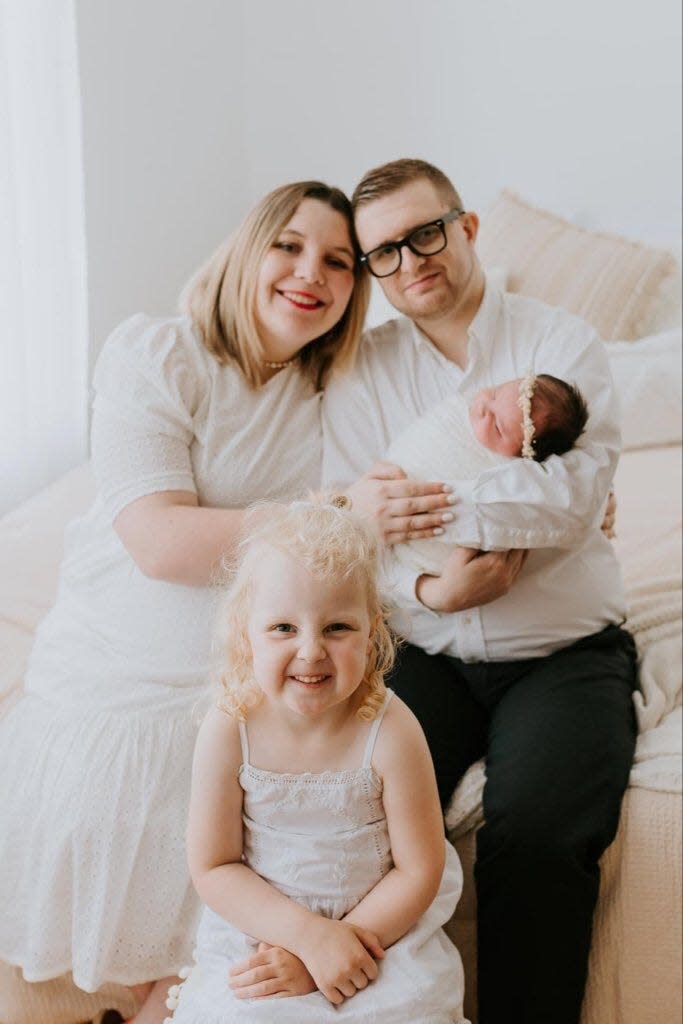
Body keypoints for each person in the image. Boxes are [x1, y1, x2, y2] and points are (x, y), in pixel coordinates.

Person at [0, 180, 385, 1024]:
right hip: (123, 681)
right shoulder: (157, 355)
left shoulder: (333, 388)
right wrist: (329, 512)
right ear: (246, 249)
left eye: (338, 261)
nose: (309, 272)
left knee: (209, 971)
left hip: (247, 691)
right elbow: (159, 541)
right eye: (288, 245)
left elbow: (431, 448)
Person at [322, 158, 638, 1024]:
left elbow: (572, 500)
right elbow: (352, 532)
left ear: (465, 228)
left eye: (425, 233)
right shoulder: (359, 375)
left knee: (536, 838)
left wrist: (424, 506)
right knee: (347, 821)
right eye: (382, 252)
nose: (409, 261)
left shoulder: (559, 343)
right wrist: (433, 584)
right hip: (417, 646)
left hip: (564, 653)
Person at [168, 500, 468, 1024]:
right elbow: (214, 867)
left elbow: (420, 868)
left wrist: (334, 951)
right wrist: (306, 939)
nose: (311, 651)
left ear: (372, 632)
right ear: (246, 634)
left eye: (337, 628)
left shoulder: (391, 730)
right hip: (264, 932)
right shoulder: (229, 727)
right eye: (284, 627)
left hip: (380, 936)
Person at [385, 372, 589, 589]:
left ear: (522, 455)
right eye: (494, 393)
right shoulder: (458, 411)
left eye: (497, 428)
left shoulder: (511, 477)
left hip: (437, 563)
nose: (483, 407)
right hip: (389, 496)